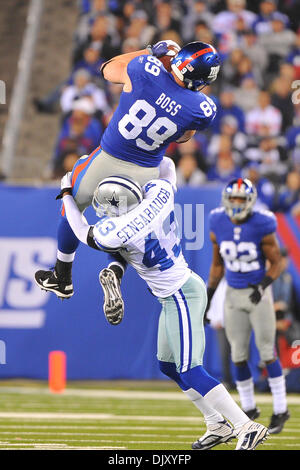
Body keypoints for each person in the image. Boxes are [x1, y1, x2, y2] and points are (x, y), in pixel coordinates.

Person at [39, 163, 269, 451]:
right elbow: (169, 167)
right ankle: (216, 423)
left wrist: (68, 194)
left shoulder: (114, 230)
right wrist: (144, 158)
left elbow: (80, 228)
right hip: (174, 293)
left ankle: (246, 425)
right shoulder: (159, 194)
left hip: (181, 293)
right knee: (169, 365)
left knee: (191, 369)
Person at [35, 39, 221, 299]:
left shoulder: (146, 68)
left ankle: (62, 274)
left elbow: (108, 68)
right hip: (146, 172)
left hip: (107, 159)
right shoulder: (202, 108)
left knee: (73, 202)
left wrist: (150, 52)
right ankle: (116, 269)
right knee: (125, 224)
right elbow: (183, 137)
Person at [206, 178, 290, 434]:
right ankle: (249, 409)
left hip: (258, 293)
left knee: (267, 351)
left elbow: (277, 263)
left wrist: (263, 285)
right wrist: (208, 299)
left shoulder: (262, 223)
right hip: (233, 293)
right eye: (233, 199)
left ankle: (280, 409)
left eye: (241, 199)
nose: (236, 204)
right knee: (238, 355)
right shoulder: (217, 221)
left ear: (250, 202)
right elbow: (218, 265)